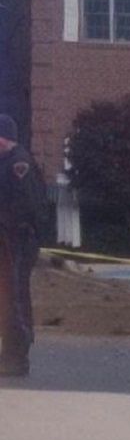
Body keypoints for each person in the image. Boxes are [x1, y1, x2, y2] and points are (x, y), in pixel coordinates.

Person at [0, 114, 45, 377]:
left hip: (18, 242)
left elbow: (27, 206)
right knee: (5, 300)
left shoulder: (19, 164)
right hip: (6, 243)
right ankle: (9, 354)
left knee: (14, 299)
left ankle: (17, 358)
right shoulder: (5, 162)